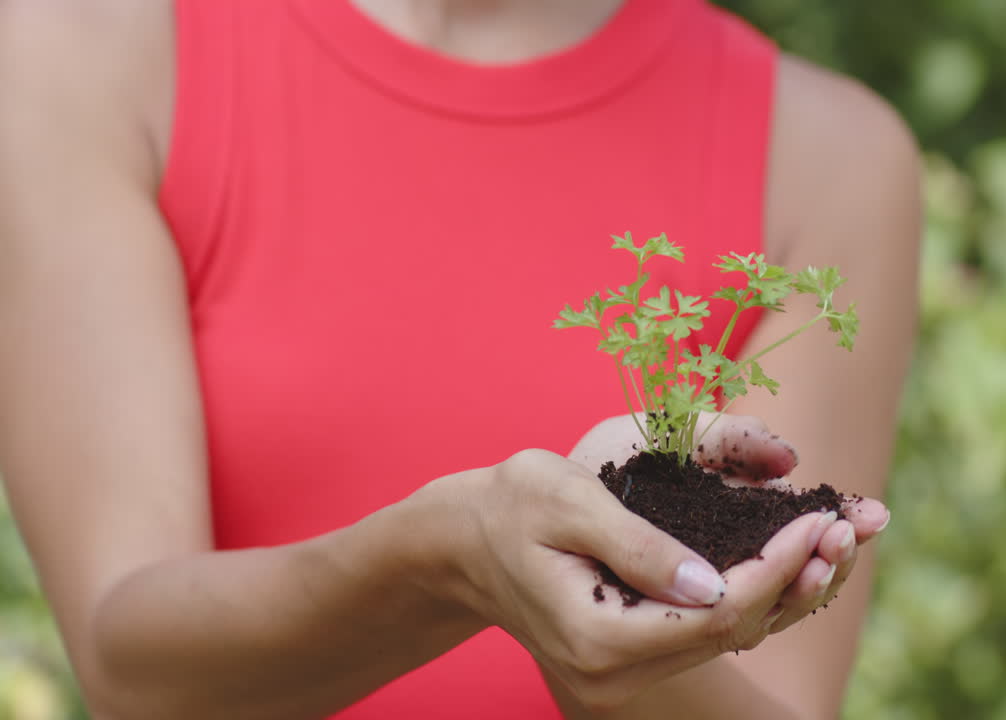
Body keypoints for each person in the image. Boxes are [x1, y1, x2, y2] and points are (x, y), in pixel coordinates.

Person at [0, 0, 919, 717]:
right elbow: (130, 668)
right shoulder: (82, 57)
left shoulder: (831, 157)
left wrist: (610, 590)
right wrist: (445, 562)